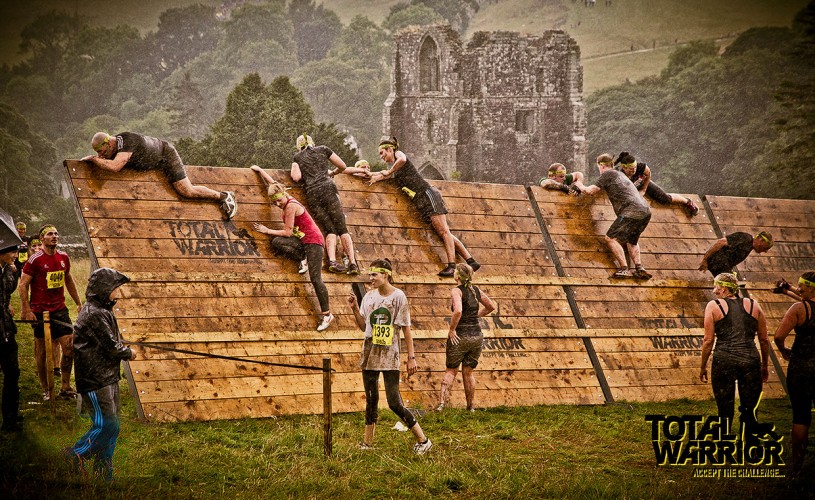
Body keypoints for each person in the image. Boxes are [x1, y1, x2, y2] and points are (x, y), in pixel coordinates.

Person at [347, 258, 432, 454]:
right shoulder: (368, 297)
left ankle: (423, 439)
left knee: (394, 402)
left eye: (374, 274)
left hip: (389, 353)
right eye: (370, 275)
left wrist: (411, 357)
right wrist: (353, 308)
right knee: (371, 398)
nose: (371, 278)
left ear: (386, 275)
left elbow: (406, 329)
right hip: (370, 350)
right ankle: (367, 443)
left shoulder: (398, 297)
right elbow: (363, 327)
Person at [369, 137, 480, 277]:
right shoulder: (396, 171)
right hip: (421, 201)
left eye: (382, 153)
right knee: (444, 233)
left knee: (444, 232)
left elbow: (401, 160)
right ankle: (471, 261)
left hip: (428, 195)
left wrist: (388, 172)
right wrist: (368, 174)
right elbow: (380, 175)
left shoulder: (399, 155)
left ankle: (452, 266)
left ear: (390, 150)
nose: (381, 157)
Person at [65, 267, 135, 481]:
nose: (118, 293)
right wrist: (129, 352)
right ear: (105, 289)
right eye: (115, 288)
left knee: (112, 426)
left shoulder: (103, 309)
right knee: (107, 424)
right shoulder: (94, 313)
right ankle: (74, 454)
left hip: (108, 375)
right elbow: (112, 346)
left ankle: (104, 470)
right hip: (95, 379)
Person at [250, 166, 334, 332]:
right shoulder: (282, 193)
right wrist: (259, 170)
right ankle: (302, 257)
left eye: (278, 201)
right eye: (274, 202)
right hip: (302, 240)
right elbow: (272, 182)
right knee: (276, 243)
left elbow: (288, 232)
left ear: (284, 195)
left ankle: (327, 314)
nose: (277, 204)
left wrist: (267, 230)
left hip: (314, 241)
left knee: (316, 278)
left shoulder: (290, 206)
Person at [81, 131, 237, 220]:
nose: (101, 156)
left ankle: (223, 196)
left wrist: (94, 160)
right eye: (97, 154)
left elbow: (115, 166)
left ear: (108, 143)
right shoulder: (113, 147)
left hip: (165, 154)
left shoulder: (127, 141)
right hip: (152, 160)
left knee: (186, 191)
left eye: (101, 152)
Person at [19, 225, 82, 400]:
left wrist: (78, 302)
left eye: (56, 233)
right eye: (50, 234)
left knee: (69, 347)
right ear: (42, 238)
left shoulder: (63, 257)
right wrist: (26, 309)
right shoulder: (35, 260)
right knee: (42, 351)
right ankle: (46, 388)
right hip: (40, 311)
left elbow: (68, 279)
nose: (54, 236)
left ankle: (65, 386)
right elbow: (23, 284)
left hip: (59, 309)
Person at [699, 273, 770, 429]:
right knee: (750, 409)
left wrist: (703, 366)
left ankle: (725, 445)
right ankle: (750, 446)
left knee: (724, 409)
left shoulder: (713, 306)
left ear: (724, 288)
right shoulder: (754, 305)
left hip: (724, 361)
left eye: (715, 286)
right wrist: (764, 365)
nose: (713, 290)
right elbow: (764, 340)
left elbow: (708, 340)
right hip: (750, 361)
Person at [290, 134, 360, 275]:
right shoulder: (323, 150)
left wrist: (308, 174)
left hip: (312, 194)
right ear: (312, 143)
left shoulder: (297, 157)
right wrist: (331, 173)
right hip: (328, 189)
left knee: (330, 229)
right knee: (342, 228)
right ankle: (353, 264)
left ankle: (333, 261)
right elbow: (342, 166)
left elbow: (296, 177)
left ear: (299, 145)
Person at [581, 154, 653, 279]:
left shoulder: (607, 175)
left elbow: (591, 191)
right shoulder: (621, 174)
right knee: (632, 240)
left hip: (631, 211)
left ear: (601, 165)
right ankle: (639, 268)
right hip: (645, 211)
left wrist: (580, 185)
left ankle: (624, 268)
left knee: (610, 238)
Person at [436, 263, 495, 412]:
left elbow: (458, 311)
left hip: (460, 336)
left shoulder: (456, 290)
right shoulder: (476, 290)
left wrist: (452, 329)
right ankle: (471, 407)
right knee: (468, 373)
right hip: (476, 336)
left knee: (450, 370)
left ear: (458, 276)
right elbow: (491, 306)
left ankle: (441, 405)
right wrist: (476, 316)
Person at [773, 271, 815, 478]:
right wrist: (788, 290)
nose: (799, 288)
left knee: (800, 416)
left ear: (811, 288)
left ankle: (797, 467)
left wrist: (783, 350)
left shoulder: (799, 309)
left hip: (801, 368)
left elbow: (779, 336)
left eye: (802, 286)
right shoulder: (803, 303)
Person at [612, 152, 699, 216]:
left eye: (635, 168)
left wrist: (644, 189)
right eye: (631, 169)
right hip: (631, 190)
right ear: (624, 167)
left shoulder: (641, 167)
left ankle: (687, 202)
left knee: (665, 199)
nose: (633, 171)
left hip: (643, 183)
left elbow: (648, 174)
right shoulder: (619, 175)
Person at [0, 244, 21, 432]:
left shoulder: (8, 270)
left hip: (7, 329)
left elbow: (9, 292)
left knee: (13, 373)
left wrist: (15, 271)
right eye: (12, 252)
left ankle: (10, 418)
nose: (16, 255)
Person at [698, 231, 773, 276]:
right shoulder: (745, 238)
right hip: (718, 262)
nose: (766, 251)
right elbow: (721, 242)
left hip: (722, 265)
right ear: (761, 240)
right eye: (766, 248)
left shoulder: (749, 245)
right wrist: (705, 259)